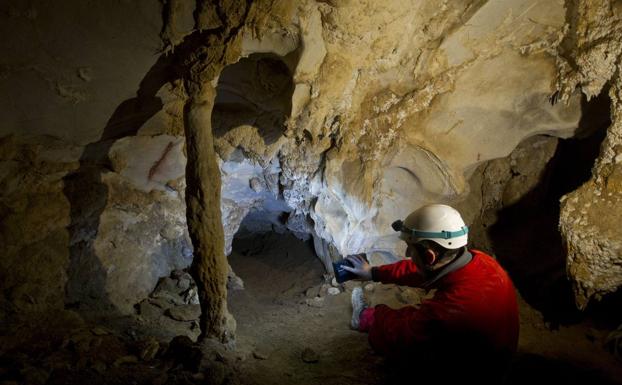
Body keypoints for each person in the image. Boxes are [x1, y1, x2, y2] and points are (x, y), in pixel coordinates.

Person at [343, 204, 519, 383]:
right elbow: (422, 270)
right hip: (493, 352)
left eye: (410, 248)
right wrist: (374, 272)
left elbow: (400, 338)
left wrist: (377, 316)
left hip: (476, 372)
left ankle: (365, 318)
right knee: (418, 318)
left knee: (406, 326)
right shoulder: (481, 260)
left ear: (429, 256)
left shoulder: (447, 312)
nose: (407, 253)